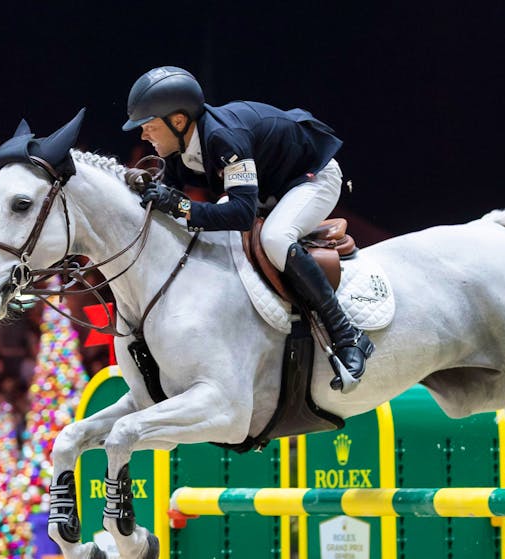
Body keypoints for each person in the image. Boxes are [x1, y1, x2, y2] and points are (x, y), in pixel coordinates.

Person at [122, 66, 373, 391]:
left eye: (149, 127)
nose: (143, 135)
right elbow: (172, 205)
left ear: (179, 121)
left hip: (313, 178)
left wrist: (179, 206)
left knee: (274, 238)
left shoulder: (222, 138)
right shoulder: (179, 148)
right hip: (271, 186)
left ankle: (346, 334)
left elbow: (240, 214)